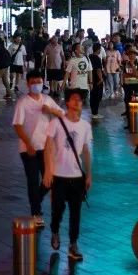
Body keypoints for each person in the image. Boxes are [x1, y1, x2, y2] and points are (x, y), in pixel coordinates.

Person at [43, 89, 93, 261]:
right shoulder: (56, 123)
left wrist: (89, 175)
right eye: (74, 99)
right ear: (68, 102)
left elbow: (86, 151)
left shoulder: (85, 126)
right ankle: (55, 230)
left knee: (76, 212)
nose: (78, 102)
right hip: (59, 175)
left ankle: (73, 244)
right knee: (57, 209)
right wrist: (48, 170)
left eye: (80, 100)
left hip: (77, 176)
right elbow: (48, 147)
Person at [12, 70, 64, 228]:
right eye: (33, 82)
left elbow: (62, 114)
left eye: (39, 82)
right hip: (29, 150)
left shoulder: (47, 100)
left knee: (50, 179)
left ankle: (37, 198)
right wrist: (28, 143)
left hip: (47, 148)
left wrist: (51, 110)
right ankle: (36, 212)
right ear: (28, 84)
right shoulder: (23, 103)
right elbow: (17, 125)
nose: (37, 85)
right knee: (33, 180)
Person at [88, 44, 105, 119]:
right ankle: (95, 113)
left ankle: (93, 111)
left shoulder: (89, 57)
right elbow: (98, 70)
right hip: (97, 79)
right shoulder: (97, 58)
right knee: (98, 96)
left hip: (91, 78)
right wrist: (101, 79)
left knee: (92, 95)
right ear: (98, 50)